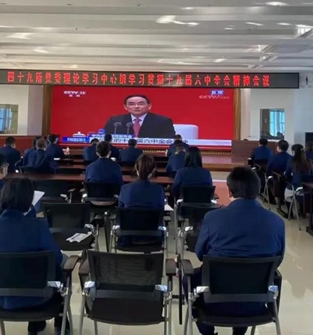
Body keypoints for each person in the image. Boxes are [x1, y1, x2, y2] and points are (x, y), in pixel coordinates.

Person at [193, 167, 285, 335]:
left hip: (212, 303)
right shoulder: (277, 222)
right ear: (257, 190)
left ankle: (208, 332)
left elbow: (200, 254)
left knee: (188, 278)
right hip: (256, 304)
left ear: (229, 191)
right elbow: (278, 260)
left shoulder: (213, 218)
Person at [0, 178, 64, 335]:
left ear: (1, 196)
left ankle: (38, 323)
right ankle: (61, 321)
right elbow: (57, 259)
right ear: (29, 200)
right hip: (40, 297)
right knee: (62, 265)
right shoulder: (38, 226)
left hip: (0, 297)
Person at [103, 94, 176, 138]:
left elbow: (169, 139)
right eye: (131, 104)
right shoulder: (115, 122)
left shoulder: (163, 122)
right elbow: (105, 138)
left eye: (141, 104)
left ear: (149, 106)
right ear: (125, 107)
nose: (136, 106)